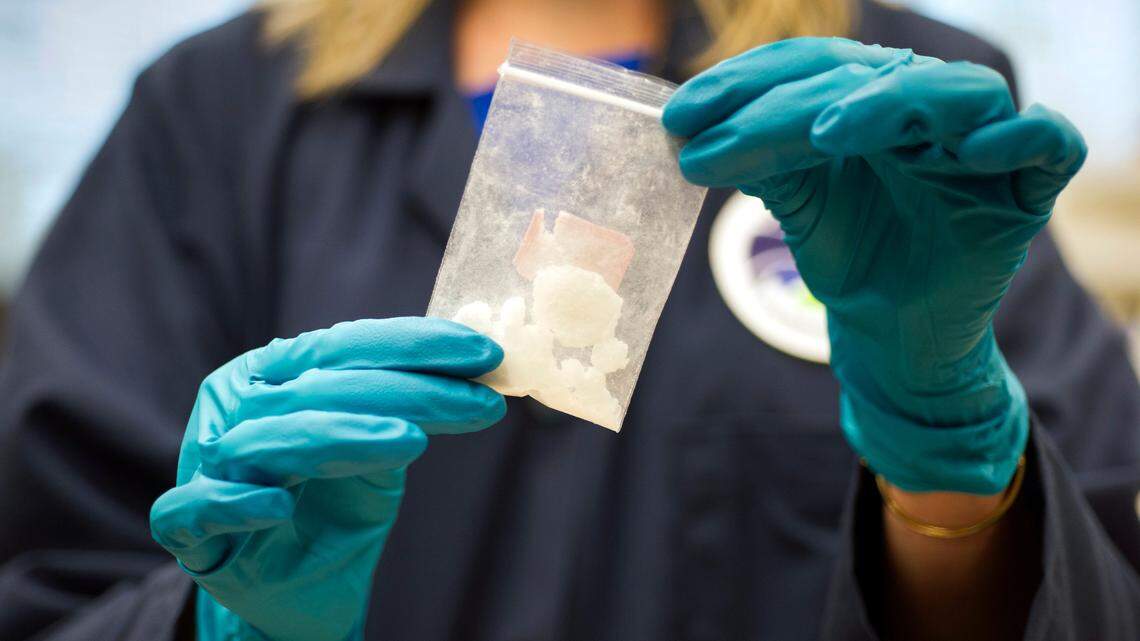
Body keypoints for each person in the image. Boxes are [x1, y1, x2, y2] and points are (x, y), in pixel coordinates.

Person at [0, 0, 1137, 639]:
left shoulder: (897, 114)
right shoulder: (217, 112)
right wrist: (222, 621)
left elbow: (1093, 601)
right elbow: (50, 586)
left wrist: (944, 454)